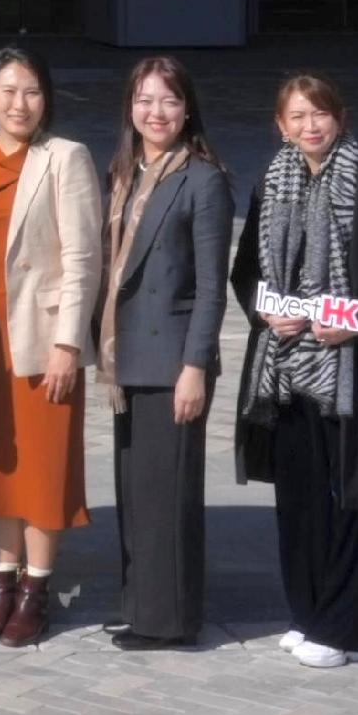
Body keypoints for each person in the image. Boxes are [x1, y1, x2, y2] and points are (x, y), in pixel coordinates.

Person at [229, 74, 358, 668]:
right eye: (296, 117)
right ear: (280, 126)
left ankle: (348, 629)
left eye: (319, 114)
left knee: (352, 498)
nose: (309, 126)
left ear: (339, 117)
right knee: (300, 498)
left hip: (350, 368)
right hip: (286, 370)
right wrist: (266, 309)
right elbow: (247, 272)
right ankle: (308, 612)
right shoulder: (273, 179)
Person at [0, 44, 102, 648]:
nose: (20, 103)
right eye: (9, 91)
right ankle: (2, 585)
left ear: (47, 99)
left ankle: (37, 591)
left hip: (43, 341)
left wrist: (70, 343)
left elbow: (84, 257)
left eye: (32, 91)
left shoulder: (66, 158)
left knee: (42, 468)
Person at [99, 58, 231, 653]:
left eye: (169, 101)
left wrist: (195, 367)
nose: (156, 113)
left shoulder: (202, 179)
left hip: (171, 360)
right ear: (130, 108)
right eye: (145, 100)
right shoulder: (126, 172)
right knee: (138, 494)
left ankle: (170, 620)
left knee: (167, 497)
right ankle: (140, 606)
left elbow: (210, 284)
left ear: (188, 110)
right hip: (126, 357)